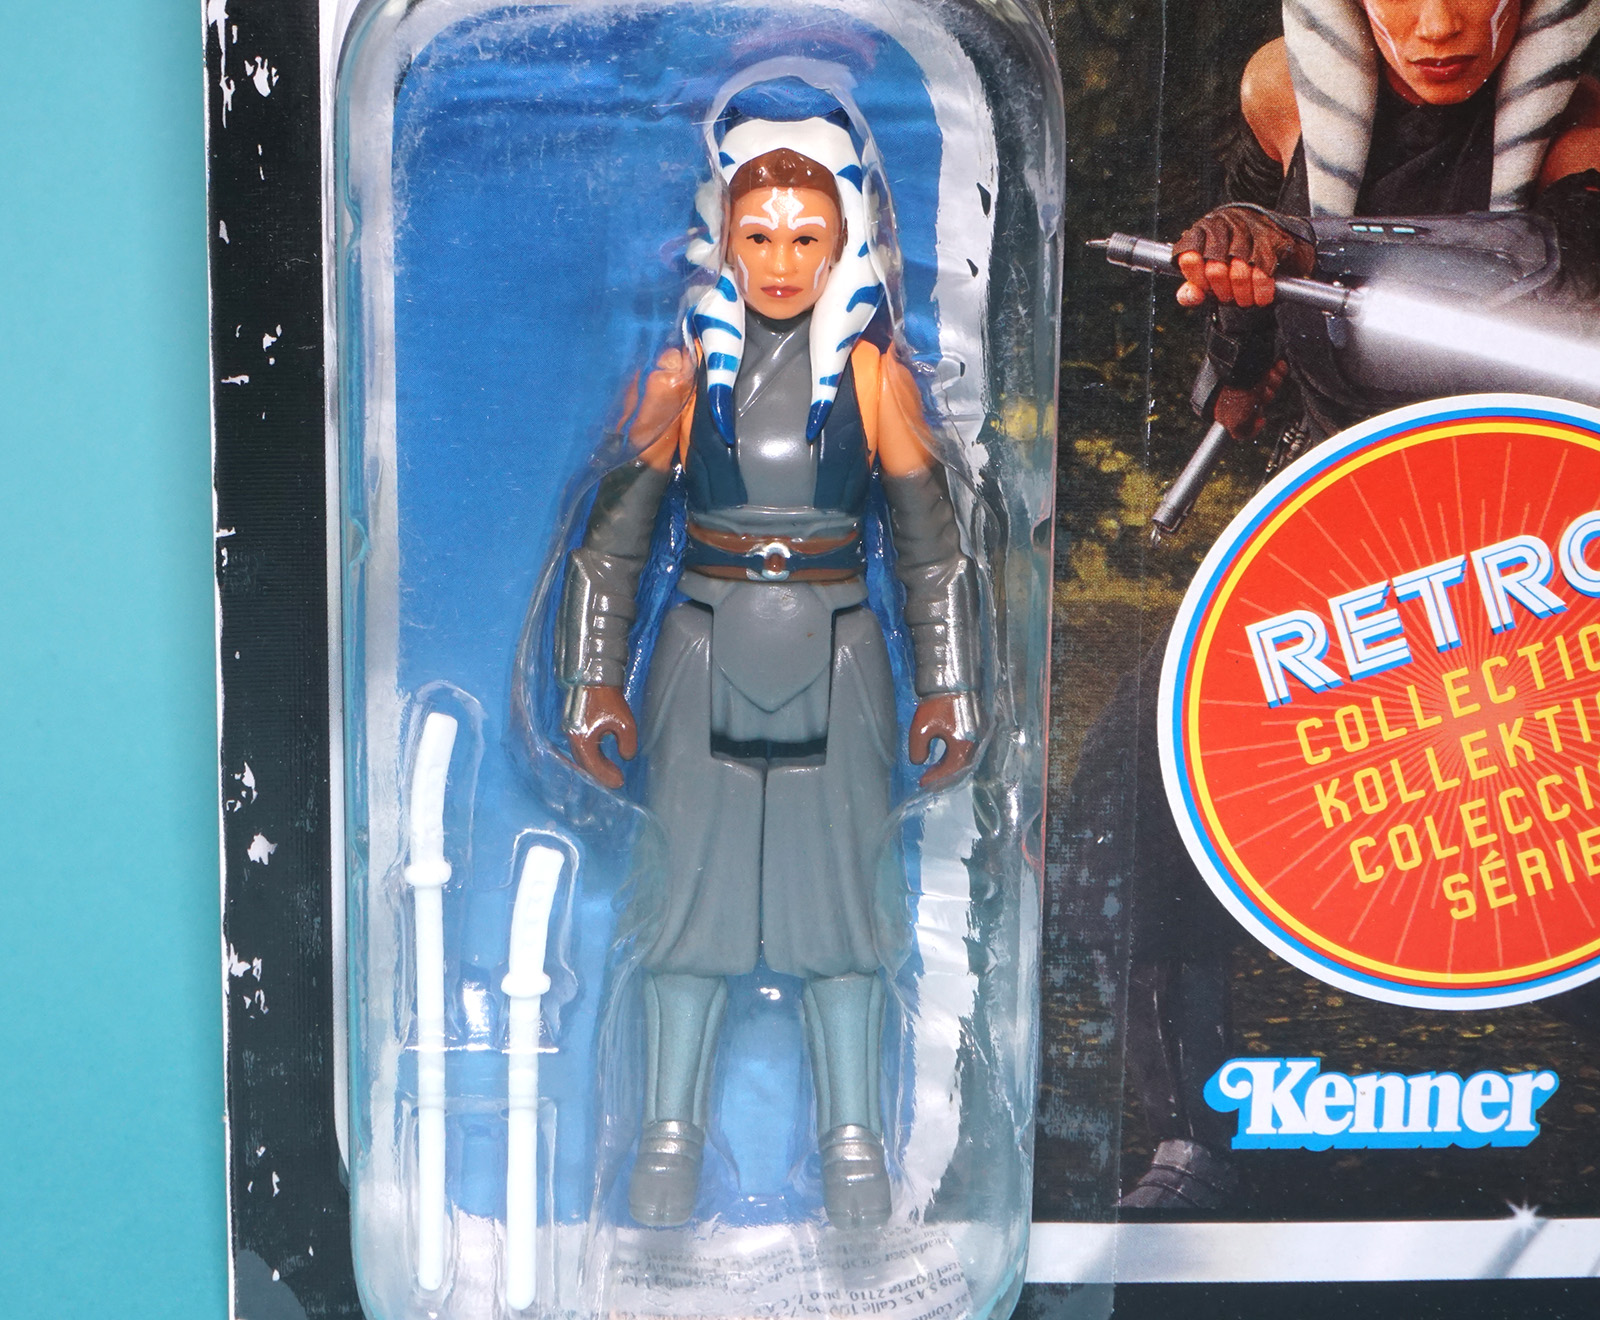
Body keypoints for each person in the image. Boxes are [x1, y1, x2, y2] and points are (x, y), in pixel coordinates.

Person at [1103, 0, 1600, 1211]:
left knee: (1558, 832)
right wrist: (1238, 282)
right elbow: (1246, 363)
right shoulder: (1283, 97)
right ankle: (1187, 1133)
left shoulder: (1586, 126)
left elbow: (1541, 282)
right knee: (1131, 787)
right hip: (1345, 521)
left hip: (1538, 541)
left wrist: (1303, 243)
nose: (1434, 25)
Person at [553, 78, 981, 1229]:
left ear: (841, 243)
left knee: (842, 914)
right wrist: (592, 678)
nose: (781, 262)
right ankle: (665, 1142)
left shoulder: (876, 383)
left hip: (841, 655)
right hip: (700, 645)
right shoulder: (680, 382)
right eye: (758, 237)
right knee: (682, 910)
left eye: (804, 239)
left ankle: (853, 1147)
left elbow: (932, 551)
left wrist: (946, 685)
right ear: (724, 240)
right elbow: (613, 543)